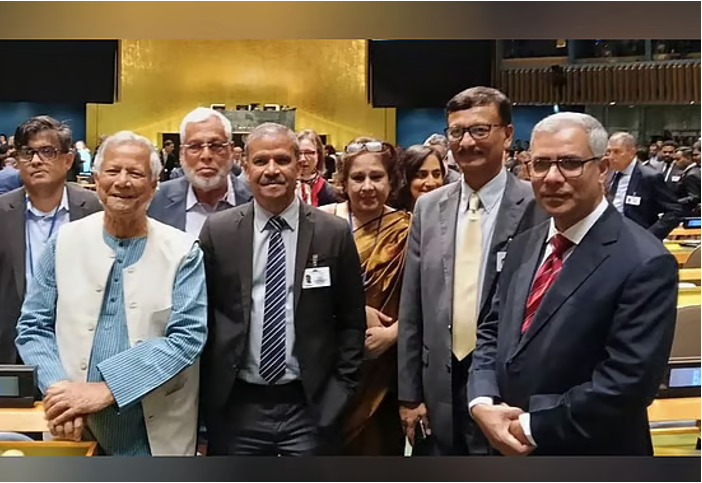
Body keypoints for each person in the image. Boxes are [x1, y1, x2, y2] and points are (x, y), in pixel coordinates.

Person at [469, 112, 678, 456]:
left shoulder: (645, 261)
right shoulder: (523, 243)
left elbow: (627, 383)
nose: (552, 177)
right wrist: (481, 400)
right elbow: (491, 331)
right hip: (504, 443)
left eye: (570, 163)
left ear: (603, 169)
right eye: (540, 164)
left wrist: (528, 426)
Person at [15, 131, 206, 456]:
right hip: (73, 424)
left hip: (153, 431)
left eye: (135, 173)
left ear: (154, 184)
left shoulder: (183, 251)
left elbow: (188, 337)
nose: (123, 182)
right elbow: (33, 326)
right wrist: (60, 392)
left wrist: (108, 390)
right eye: (113, 171)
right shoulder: (64, 241)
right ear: (96, 179)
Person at [199, 122, 366, 456]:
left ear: (299, 164)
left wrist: (340, 393)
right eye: (261, 161)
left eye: (282, 160)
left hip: (310, 406)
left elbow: (351, 321)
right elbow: (204, 317)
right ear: (245, 167)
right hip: (236, 406)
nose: (272, 170)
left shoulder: (332, 233)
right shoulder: (219, 232)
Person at [398, 87, 545, 456]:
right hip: (438, 384)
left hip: (507, 388)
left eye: (480, 130)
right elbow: (412, 307)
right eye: (456, 132)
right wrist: (409, 394)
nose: (466, 142)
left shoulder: (538, 206)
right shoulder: (429, 207)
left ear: (507, 135)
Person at [0, 116, 102, 365]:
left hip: (79, 354)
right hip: (10, 352)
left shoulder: (95, 210)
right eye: (28, 153)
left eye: (47, 151)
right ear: (17, 161)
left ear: (68, 159)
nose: (36, 160)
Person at [320, 137, 410, 455]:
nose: (367, 186)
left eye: (377, 177)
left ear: (392, 181)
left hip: (384, 370)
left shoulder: (408, 229)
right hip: (328, 364)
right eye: (358, 178)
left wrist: (393, 333)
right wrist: (355, 312)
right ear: (343, 182)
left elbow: (428, 298)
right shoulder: (320, 223)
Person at [148, 107, 252, 237]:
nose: (206, 156)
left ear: (231, 151)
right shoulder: (155, 201)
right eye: (195, 146)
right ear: (182, 154)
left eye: (216, 145)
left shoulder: (255, 200)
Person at [605, 132, 682, 239]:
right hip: (612, 236)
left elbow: (675, 211)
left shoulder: (650, 176)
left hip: (638, 239)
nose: (611, 157)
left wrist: (650, 236)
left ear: (632, 152)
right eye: (608, 152)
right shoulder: (610, 175)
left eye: (617, 152)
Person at [392, 144, 445, 212]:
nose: (431, 183)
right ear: (405, 178)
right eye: (422, 175)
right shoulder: (392, 216)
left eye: (437, 175)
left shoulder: (450, 213)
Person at [295, 129, 337, 207]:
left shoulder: (331, 193)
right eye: (298, 153)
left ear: (319, 155)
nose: (302, 159)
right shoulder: (283, 189)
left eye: (309, 153)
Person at [673, 148, 701, 217]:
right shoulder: (694, 171)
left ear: (688, 158)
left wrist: (674, 202)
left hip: (691, 214)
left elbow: (694, 197)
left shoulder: (692, 175)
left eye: (678, 159)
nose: (674, 162)